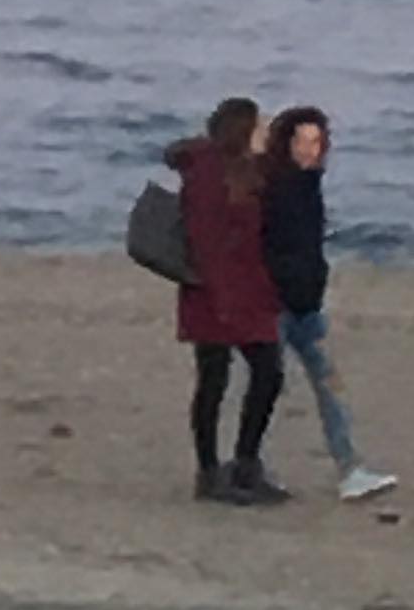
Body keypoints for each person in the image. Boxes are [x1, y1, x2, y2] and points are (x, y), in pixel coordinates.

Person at [262, 104, 397, 503]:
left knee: (329, 386)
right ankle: (254, 467)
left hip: (306, 306)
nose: (310, 150)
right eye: (302, 142)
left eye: (316, 142)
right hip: (274, 305)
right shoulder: (273, 188)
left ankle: (350, 468)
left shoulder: (309, 186)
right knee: (265, 391)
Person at [166, 96, 288, 505]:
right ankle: (210, 471)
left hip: (250, 288)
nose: (266, 133)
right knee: (215, 378)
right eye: (259, 126)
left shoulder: (249, 170)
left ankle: (245, 462)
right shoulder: (207, 172)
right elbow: (207, 240)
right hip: (214, 290)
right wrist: (221, 294)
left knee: (267, 373)